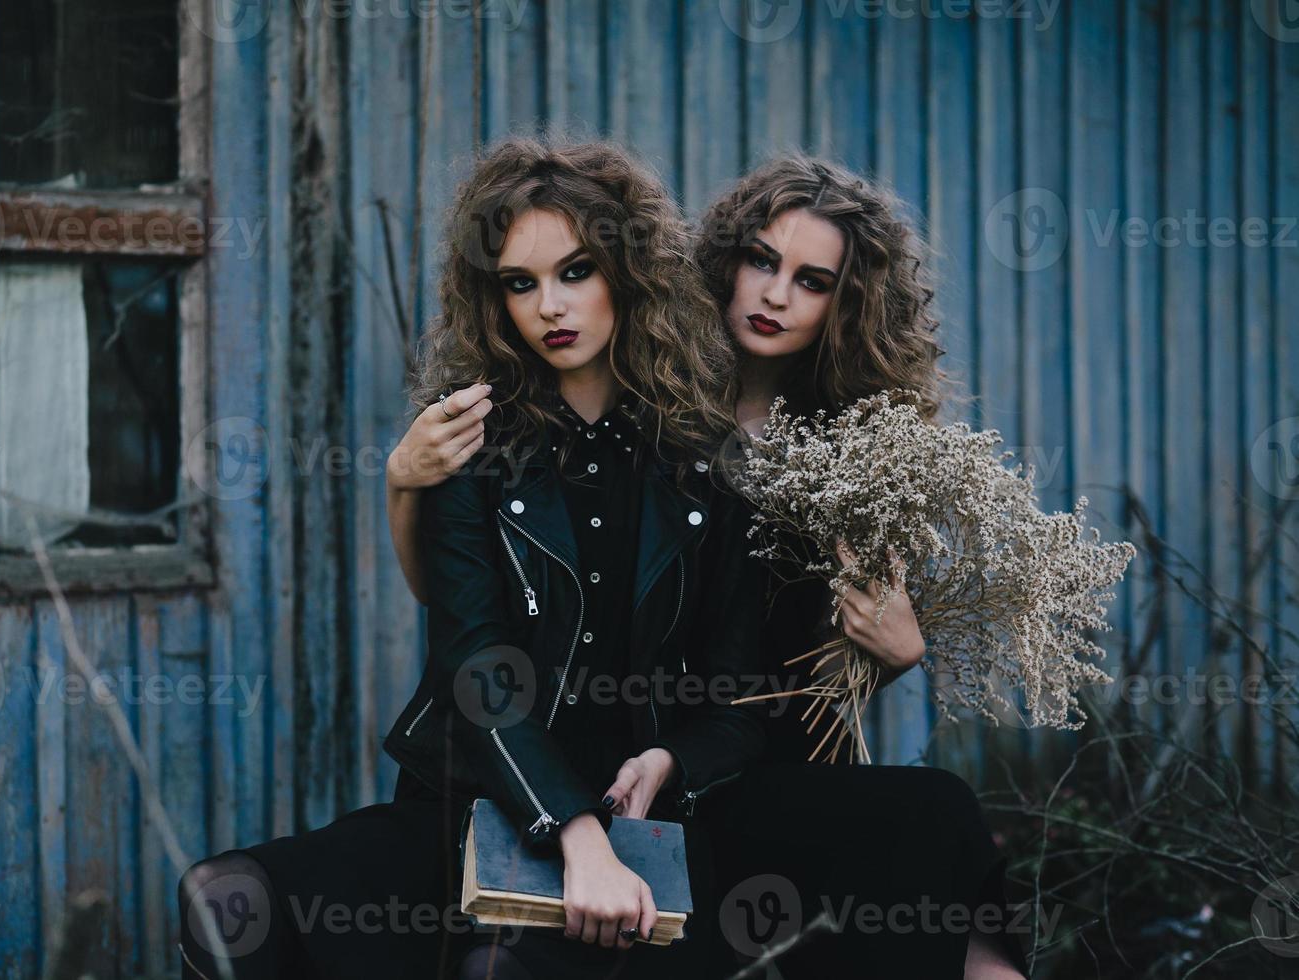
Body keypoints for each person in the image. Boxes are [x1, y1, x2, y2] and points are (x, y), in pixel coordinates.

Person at [385, 154, 1029, 979]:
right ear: (720, 260)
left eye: (811, 280)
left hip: (739, 749)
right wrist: (405, 483)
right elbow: (460, 615)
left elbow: (798, 684)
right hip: (616, 743)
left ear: (848, 304)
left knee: (935, 826)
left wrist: (892, 660)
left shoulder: (853, 456)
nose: (774, 294)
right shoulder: (644, 397)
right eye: (761, 261)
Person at [177, 137, 771, 980]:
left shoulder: (704, 460)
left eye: (575, 272)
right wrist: (571, 833)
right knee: (227, 899)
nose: (549, 307)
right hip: (481, 791)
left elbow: (738, 700)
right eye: (520, 283)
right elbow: (476, 664)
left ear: (628, 275)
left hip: (639, 822)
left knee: (500, 969)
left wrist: (666, 765)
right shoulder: (475, 443)